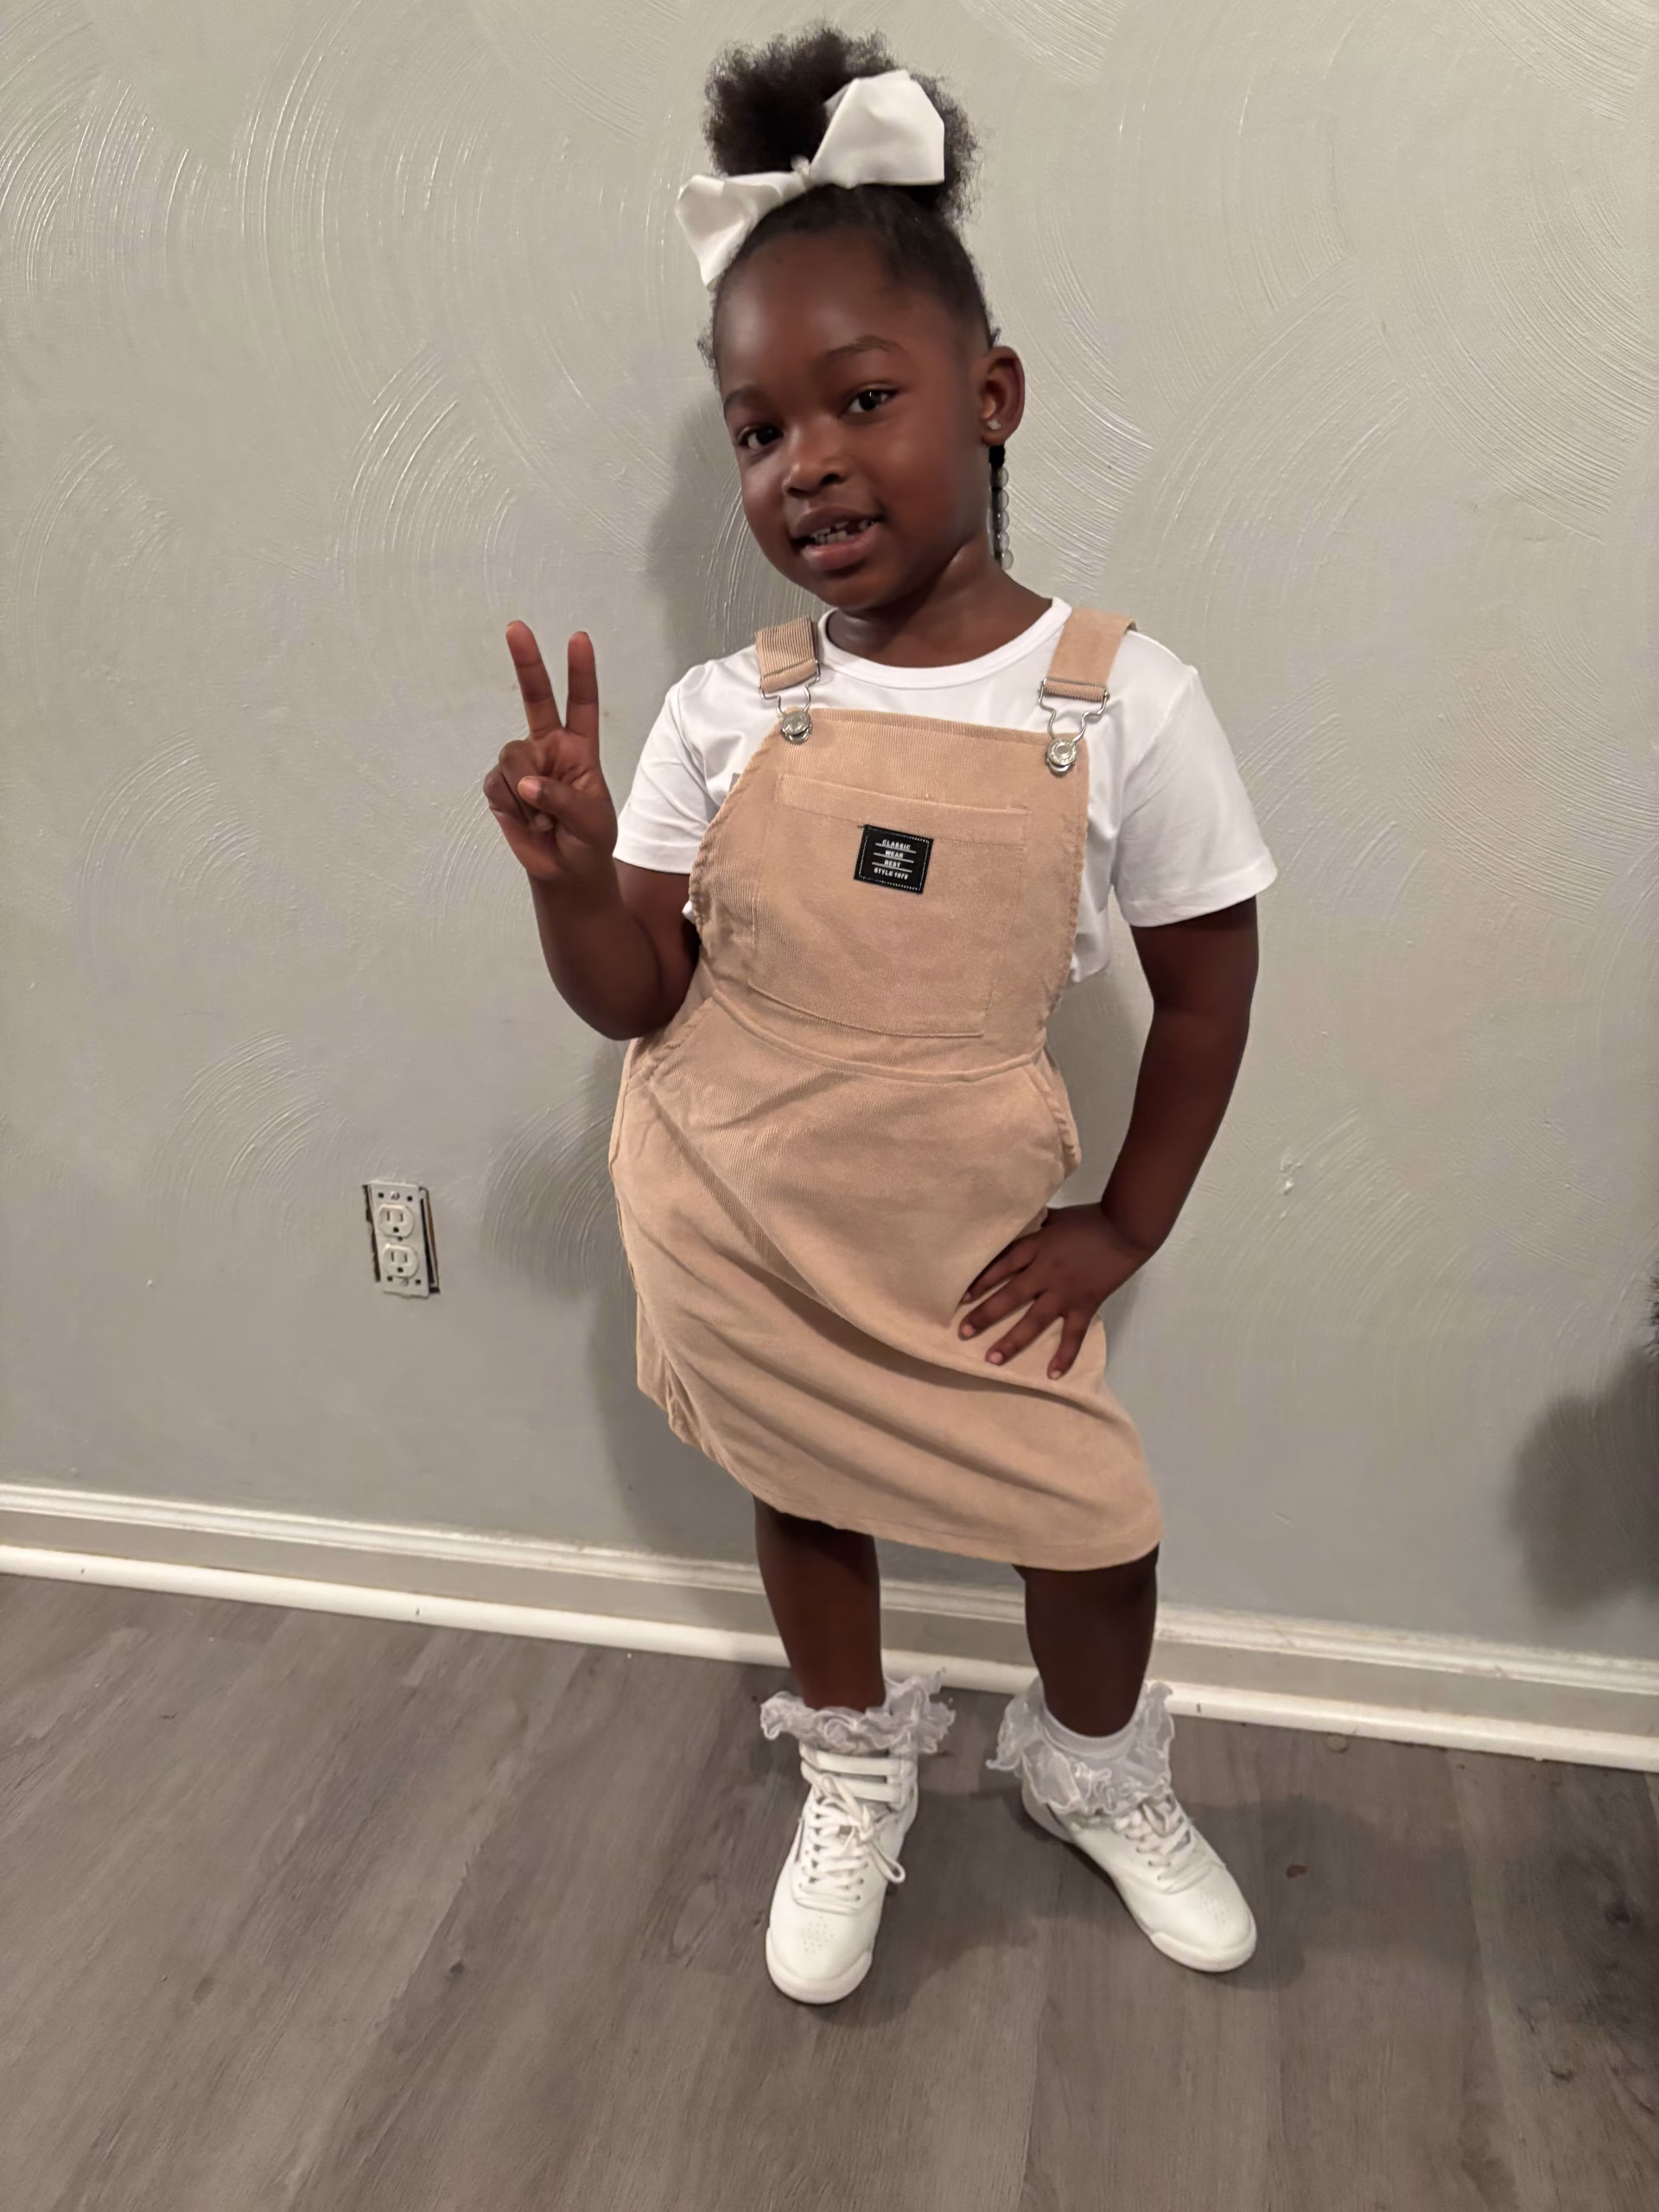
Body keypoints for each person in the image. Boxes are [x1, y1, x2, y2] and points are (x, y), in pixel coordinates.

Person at [483, 28, 1276, 2006]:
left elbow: (1209, 987)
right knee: (803, 1485)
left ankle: (1090, 1767)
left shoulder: (1124, 699)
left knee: (1091, 1520)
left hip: (957, 1226)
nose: (808, 461)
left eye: (861, 399)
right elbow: (641, 994)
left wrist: (1127, 1222)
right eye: (759, 428)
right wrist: (572, 879)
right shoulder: (724, 710)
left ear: (988, 396)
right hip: (736, 1201)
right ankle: (853, 1757)